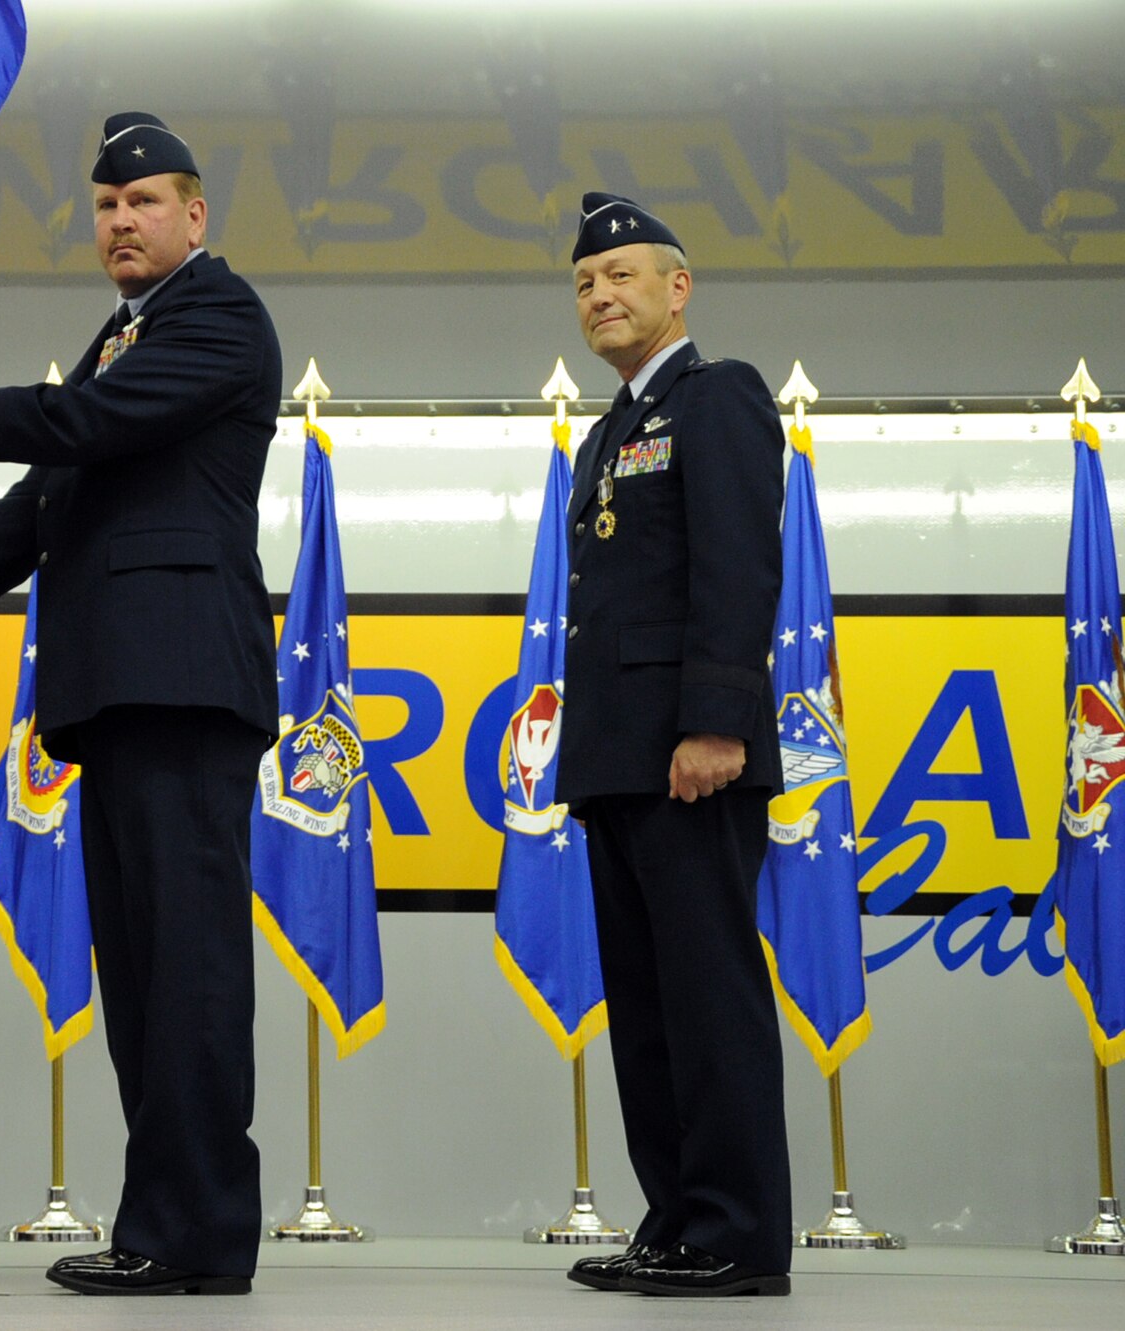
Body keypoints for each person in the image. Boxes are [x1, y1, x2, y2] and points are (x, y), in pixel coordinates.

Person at [0, 112, 279, 1297]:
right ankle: (159, 1221)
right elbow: (42, 502)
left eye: (143, 204)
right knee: (139, 974)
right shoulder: (120, 334)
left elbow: (89, 426)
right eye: (104, 208)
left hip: (178, 678)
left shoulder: (218, 316)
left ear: (194, 215)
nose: (120, 223)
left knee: (184, 969)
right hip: (118, 688)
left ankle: (201, 1231)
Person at [553, 192, 792, 1298]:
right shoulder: (608, 430)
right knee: (644, 1005)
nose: (600, 297)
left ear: (675, 287)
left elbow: (737, 569)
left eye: (622, 278)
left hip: (689, 755)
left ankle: (738, 1232)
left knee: (706, 999)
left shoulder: (718, 396)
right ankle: (677, 1220)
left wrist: (713, 721)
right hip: (615, 761)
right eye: (584, 285)